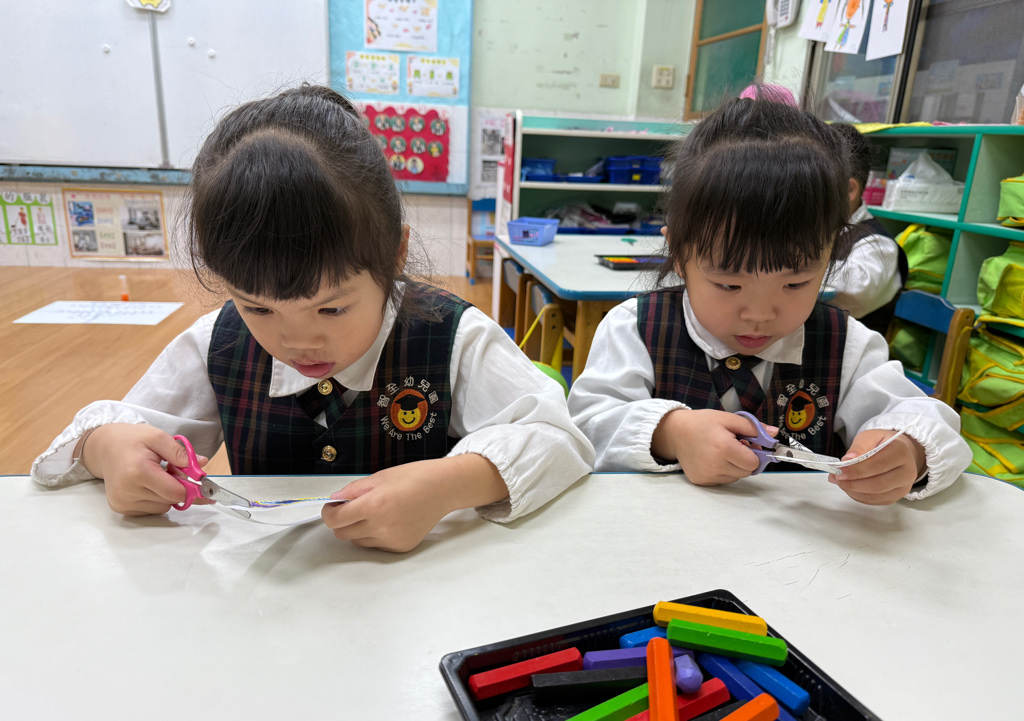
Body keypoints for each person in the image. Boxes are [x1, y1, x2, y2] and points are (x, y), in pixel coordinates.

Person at [32, 84, 594, 552]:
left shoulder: (452, 338)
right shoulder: (218, 343)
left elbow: (559, 438)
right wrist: (108, 449)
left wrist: (449, 484)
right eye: (258, 307)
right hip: (269, 611)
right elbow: (96, 442)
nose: (297, 339)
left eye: (331, 307)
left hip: (419, 607)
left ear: (393, 256)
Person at [567, 97, 971, 505]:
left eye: (795, 283)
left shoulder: (847, 344)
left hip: (806, 544)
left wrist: (908, 450)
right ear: (679, 256)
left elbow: (925, 420)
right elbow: (587, 426)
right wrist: (671, 432)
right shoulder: (635, 328)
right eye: (729, 285)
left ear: (830, 255)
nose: (759, 314)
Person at [826, 122, 907, 335]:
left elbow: (856, 290)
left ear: (849, 190)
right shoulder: (815, 229)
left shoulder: (878, 245)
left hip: (846, 352)